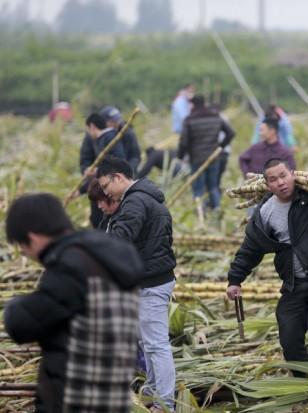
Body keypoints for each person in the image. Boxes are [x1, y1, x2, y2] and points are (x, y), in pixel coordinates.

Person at [3, 193, 143, 413]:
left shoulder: (72, 265)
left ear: (34, 236)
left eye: (24, 246)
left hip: (77, 397)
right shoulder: (111, 259)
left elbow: (24, 324)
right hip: (113, 394)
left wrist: (14, 307)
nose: (28, 255)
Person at [227, 159, 308, 408]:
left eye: (283, 176)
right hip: (294, 282)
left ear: (292, 174)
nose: (280, 182)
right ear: (267, 184)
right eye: (273, 179)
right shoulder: (265, 212)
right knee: (288, 331)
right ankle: (304, 381)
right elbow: (250, 249)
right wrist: (235, 280)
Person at [96, 157, 177, 413]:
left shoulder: (135, 202)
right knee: (148, 342)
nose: (105, 192)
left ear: (118, 177)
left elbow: (121, 239)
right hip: (149, 278)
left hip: (151, 281)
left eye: (106, 185)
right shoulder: (143, 198)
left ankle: (165, 404)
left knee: (156, 344)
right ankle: (154, 392)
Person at [178, 95, 236, 212]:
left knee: (198, 188)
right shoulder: (215, 117)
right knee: (213, 187)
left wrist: (180, 155)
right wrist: (220, 147)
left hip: (196, 159)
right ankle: (216, 211)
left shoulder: (189, 120)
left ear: (193, 105)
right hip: (214, 157)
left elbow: (184, 142)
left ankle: (201, 213)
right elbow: (230, 133)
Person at [79, 113, 128, 228]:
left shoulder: (109, 138)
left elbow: (119, 163)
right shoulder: (102, 139)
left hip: (112, 188)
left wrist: (97, 171)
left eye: (88, 130)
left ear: (92, 126)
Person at [100, 105, 142, 174]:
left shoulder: (127, 132)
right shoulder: (95, 134)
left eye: (117, 120)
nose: (116, 123)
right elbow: (86, 158)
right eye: (112, 121)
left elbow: (135, 156)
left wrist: (127, 171)